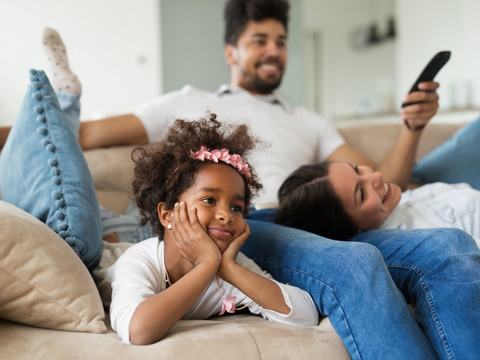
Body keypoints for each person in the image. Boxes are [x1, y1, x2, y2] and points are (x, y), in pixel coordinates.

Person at [2, 3, 480, 359]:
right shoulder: (183, 102)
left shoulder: (310, 122)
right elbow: (82, 135)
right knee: (356, 265)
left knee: (448, 248)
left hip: (316, 226)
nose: (273, 51)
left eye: (281, 41)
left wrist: (412, 129)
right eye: (259, 41)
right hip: (260, 225)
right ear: (231, 51)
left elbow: (380, 186)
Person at [109, 115, 318, 345]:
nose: (226, 215)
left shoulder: (231, 266)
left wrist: (228, 268)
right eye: (209, 200)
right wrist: (207, 264)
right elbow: (137, 331)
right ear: (168, 214)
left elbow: (305, 315)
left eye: (236, 207)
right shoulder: (140, 260)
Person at [275, 161, 480, 247]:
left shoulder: (398, 203)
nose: (377, 176)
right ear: (352, 229)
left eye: (357, 169)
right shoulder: (425, 239)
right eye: (362, 193)